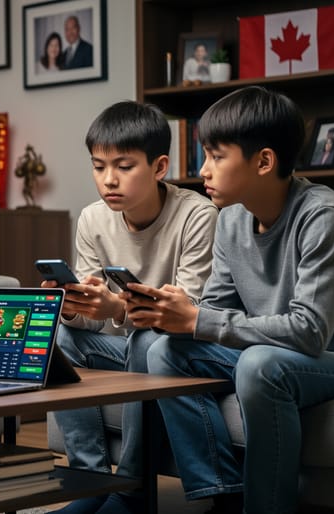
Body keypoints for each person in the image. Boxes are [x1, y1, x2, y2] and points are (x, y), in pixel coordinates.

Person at [126, 86, 334, 514]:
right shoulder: (230, 221)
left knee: (259, 365)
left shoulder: (325, 217)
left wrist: (198, 319)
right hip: (281, 352)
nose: (202, 170)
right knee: (165, 353)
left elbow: (308, 331)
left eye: (216, 156)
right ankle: (221, 495)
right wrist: (171, 314)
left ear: (264, 161)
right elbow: (216, 311)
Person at [45, 101, 218, 514]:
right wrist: (74, 306)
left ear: (160, 167)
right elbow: (91, 319)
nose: (108, 180)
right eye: (99, 166)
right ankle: (89, 482)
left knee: (145, 341)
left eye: (123, 166)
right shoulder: (91, 219)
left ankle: (132, 489)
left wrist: (118, 311)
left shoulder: (198, 215)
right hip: (122, 345)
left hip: (170, 349)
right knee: (57, 332)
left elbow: (190, 312)